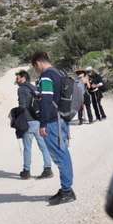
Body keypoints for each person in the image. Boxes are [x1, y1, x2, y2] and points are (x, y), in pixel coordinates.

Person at [31, 51, 76, 205]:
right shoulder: (59, 73)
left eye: (35, 67)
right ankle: (66, 189)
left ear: (37, 63)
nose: (36, 70)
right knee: (62, 152)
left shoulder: (46, 76)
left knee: (59, 155)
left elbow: (46, 101)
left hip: (52, 121)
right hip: (61, 119)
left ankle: (67, 191)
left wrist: (42, 124)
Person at [15, 70, 53, 180]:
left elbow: (22, 106)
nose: (16, 80)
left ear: (23, 78)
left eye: (18, 78)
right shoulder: (34, 88)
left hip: (28, 121)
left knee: (27, 147)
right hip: (38, 120)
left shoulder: (21, 89)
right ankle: (48, 168)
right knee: (43, 146)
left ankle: (26, 171)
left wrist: (15, 114)